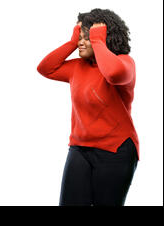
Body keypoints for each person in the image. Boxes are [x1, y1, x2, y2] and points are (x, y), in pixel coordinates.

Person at [37, 8, 139, 206]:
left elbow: (113, 74)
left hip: (116, 150)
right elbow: (45, 68)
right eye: (79, 37)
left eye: (87, 37)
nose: (80, 42)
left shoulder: (125, 63)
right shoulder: (77, 67)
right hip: (79, 149)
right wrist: (70, 42)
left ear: (104, 38)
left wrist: (98, 41)